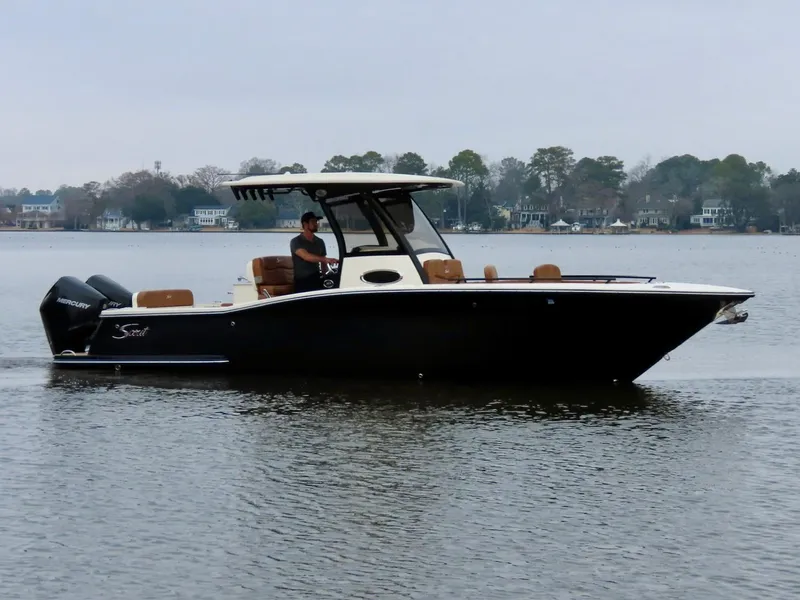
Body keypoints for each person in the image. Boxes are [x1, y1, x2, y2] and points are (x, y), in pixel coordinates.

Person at [290, 211, 339, 293]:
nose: (316, 224)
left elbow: (323, 264)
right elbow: (306, 257)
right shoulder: (296, 241)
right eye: (313, 221)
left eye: (316, 221)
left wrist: (325, 276)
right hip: (302, 281)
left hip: (316, 278)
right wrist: (326, 260)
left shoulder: (320, 242)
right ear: (305, 224)